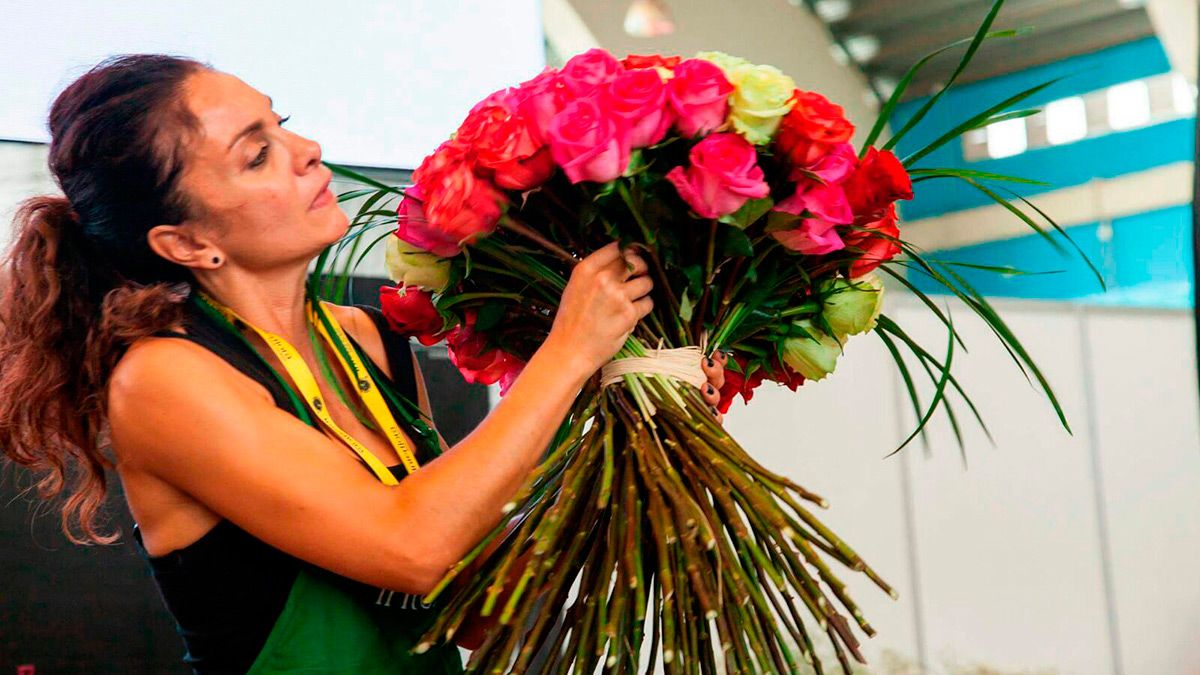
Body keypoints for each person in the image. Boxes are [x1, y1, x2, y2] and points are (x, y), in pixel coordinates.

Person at [0, 54, 727, 674]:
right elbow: (411, 545)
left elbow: (467, 603)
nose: (308, 148)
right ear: (187, 244)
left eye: (280, 125)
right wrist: (569, 352)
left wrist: (625, 411)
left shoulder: (361, 336)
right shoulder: (165, 377)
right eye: (257, 154)